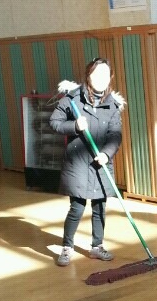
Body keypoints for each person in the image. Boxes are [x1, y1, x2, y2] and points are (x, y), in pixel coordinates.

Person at [49, 58, 125, 267]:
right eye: (96, 74)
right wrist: (74, 125)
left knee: (100, 207)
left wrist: (106, 154)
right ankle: (67, 247)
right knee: (77, 208)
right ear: (88, 75)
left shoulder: (112, 105)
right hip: (78, 164)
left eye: (105, 75)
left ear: (110, 78)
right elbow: (54, 122)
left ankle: (97, 247)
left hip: (100, 164)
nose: (101, 78)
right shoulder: (72, 99)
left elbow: (115, 135)